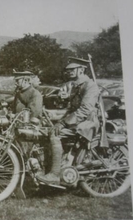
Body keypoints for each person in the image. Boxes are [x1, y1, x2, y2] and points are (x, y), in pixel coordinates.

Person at [37, 57, 101, 185]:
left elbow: (84, 110)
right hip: (78, 121)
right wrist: (53, 115)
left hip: (87, 122)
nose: (69, 72)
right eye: (68, 70)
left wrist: (63, 122)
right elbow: (71, 109)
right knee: (45, 131)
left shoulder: (91, 86)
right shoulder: (76, 86)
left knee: (55, 134)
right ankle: (49, 167)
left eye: (72, 69)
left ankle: (54, 174)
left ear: (81, 70)